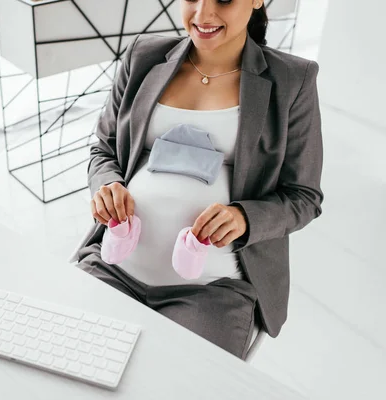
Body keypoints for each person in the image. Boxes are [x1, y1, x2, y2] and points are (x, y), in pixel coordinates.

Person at [76, 0, 324, 359]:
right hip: (113, 268)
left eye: (223, 0)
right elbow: (104, 149)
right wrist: (107, 186)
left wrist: (243, 217)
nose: (203, 15)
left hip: (210, 291)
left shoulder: (293, 80)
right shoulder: (143, 56)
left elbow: (304, 196)